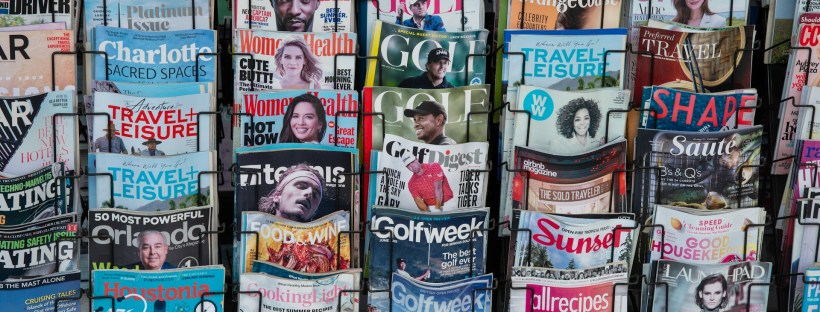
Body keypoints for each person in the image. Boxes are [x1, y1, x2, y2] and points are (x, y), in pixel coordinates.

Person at [258, 163, 325, 222]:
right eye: (301, 186)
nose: (309, 193)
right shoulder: (252, 232)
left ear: (314, 211)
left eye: (315, 194)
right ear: (277, 196)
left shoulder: (330, 236)